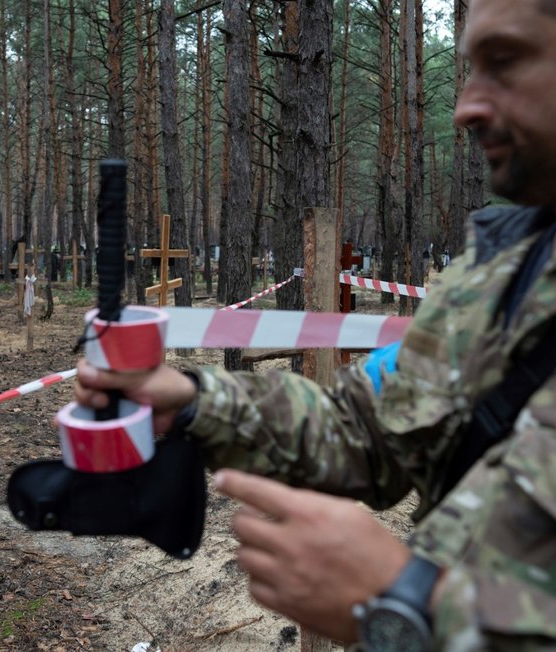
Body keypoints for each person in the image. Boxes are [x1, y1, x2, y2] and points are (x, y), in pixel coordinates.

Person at [74, 0, 556, 648]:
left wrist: (412, 606)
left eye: (504, 61)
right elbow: (367, 433)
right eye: (468, 69)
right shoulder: (498, 268)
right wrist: (192, 403)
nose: (465, 107)